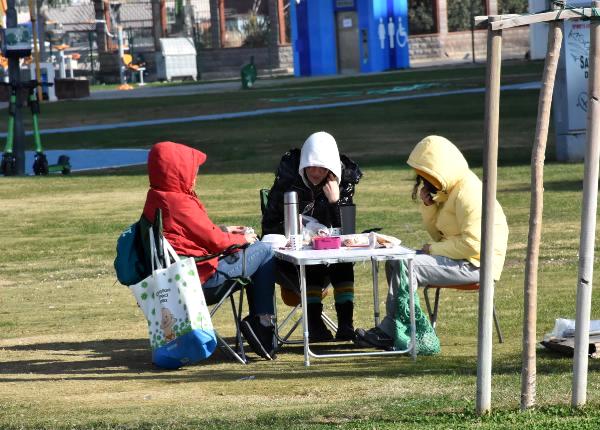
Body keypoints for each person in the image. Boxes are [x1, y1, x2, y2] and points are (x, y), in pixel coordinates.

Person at [355, 135, 509, 349]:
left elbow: (474, 245)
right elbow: (439, 236)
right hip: (460, 259)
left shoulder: (469, 193)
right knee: (395, 259)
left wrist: (432, 250)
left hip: (477, 265)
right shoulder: (448, 192)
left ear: (441, 169)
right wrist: (428, 206)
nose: (424, 181)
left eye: (427, 175)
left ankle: (390, 331)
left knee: (408, 265)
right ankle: (396, 327)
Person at [142, 141, 277, 360]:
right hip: (199, 282)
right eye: (192, 170)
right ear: (178, 170)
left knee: (252, 253)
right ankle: (261, 324)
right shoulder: (179, 201)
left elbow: (187, 234)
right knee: (264, 250)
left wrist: (225, 230)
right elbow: (215, 242)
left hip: (172, 283)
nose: (195, 176)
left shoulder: (156, 197)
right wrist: (242, 238)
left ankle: (260, 324)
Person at [262, 131, 363, 342]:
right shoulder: (287, 182)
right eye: (311, 166)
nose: (316, 172)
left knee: (342, 260)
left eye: (322, 168)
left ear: (331, 168)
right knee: (313, 262)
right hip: (291, 263)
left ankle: (346, 324)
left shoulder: (342, 183)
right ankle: (315, 324)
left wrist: (336, 202)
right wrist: (292, 226)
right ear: (302, 165)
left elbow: (346, 233)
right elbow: (269, 227)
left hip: (328, 257)